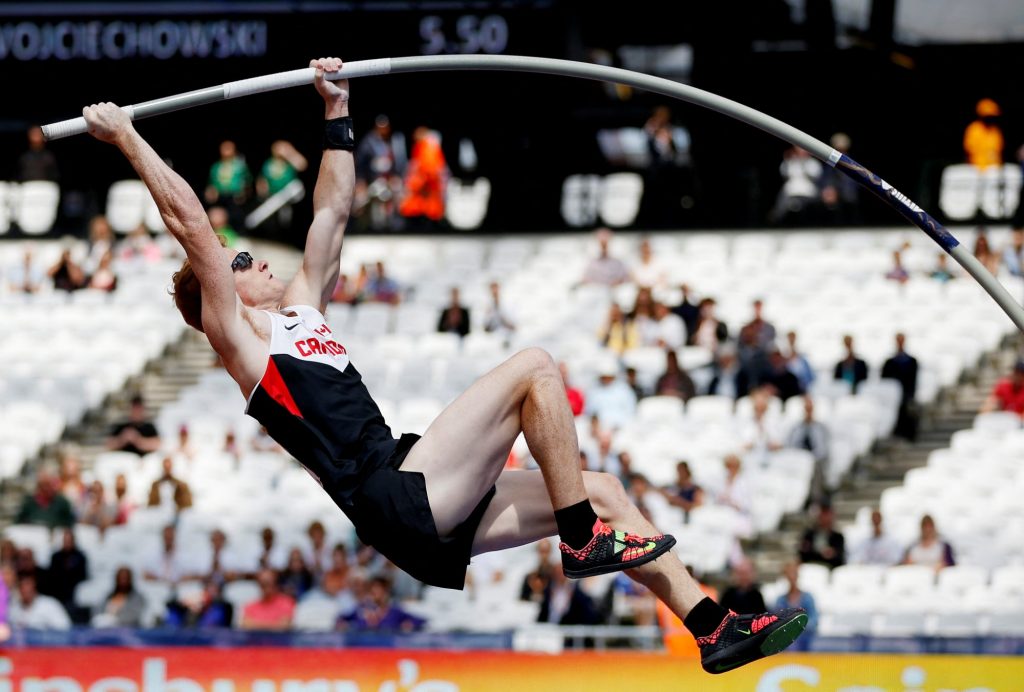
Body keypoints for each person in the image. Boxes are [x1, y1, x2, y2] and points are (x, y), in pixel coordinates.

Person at [83, 56, 805, 674]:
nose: (253, 259)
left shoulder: (302, 311)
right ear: (221, 294)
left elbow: (332, 211)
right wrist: (127, 138)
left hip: (417, 495)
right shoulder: (241, 343)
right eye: (239, 261)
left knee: (606, 490)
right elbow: (191, 226)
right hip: (392, 495)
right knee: (535, 368)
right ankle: (582, 538)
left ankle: (713, 629)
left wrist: (336, 111)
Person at [354, 114, 406, 231]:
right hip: (373, 180)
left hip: (390, 179)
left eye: (385, 127)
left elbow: (399, 163)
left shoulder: (395, 140)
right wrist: (361, 181)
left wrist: (396, 176)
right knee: (363, 200)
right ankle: (367, 226)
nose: (383, 130)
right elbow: (361, 164)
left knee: (399, 192)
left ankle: (395, 224)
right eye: (380, 127)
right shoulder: (368, 142)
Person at [399, 125, 448, 229]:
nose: (414, 136)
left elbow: (430, 168)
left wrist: (422, 183)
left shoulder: (428, 148)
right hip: (422, 185)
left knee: (426, 209)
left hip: (425, 187)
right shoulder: (422, 146)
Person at [338, 575, 425, 632]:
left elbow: (420, 620)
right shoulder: (361, 609)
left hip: (387, 650)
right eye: (373, 591)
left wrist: (409, 624)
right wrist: (343, 624)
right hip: (362, 650)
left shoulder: (394, 611)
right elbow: (342, 619)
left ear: (386, 592)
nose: (375, 594)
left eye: (379, 591)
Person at [205, 139, 252, 229]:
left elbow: (247, 181)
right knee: (218, 216)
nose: (225, 151)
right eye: (223, 148)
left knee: (235, 217)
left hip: (235, 197)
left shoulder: (240, 166)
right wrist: (211, 191)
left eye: (228, 148)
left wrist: (244, 193)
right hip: (220, 197)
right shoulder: (216, 166)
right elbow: (211, 182)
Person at [881, 333, 920, 441]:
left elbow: (913, 380)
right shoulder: (889, 362)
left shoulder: (912, 361)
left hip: (906, 394)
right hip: (892, 396)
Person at [818, 132, 860, 225]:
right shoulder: (830, 162)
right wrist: (828, 188)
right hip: (835, 190)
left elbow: (856, 179)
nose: (840, 151)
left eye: (842, 148)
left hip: (849, 191)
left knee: (849, 197)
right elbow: (826, 177)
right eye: (838, 149)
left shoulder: (853, 162)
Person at [773, 561, 817, 650]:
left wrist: (798, 627)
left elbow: (814, 620)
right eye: (789, 574)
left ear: (798, 575)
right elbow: (777, 621)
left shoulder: (808, 598)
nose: (792, 577)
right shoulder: (781, 600)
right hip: (786, 640)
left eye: (794, 573)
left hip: (806, 639)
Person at [46, 529, 88, 610]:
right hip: (57, 589)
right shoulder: (56, 556)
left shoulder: (80, 557)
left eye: (69, 540)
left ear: (73, 541)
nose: (67, 543)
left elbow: (82, 576)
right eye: (65, 540)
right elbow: (52, 575)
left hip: (74, 590)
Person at [165, 578, 233, 628]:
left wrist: (205, 604)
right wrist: (186, 604)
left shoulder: (222, 607)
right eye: (209, 588)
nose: (211, 591)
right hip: (187, 628)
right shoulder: (192, 602)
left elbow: (226, 607)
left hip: (211, 635)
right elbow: (169, 604)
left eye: (215, 589)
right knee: (174, 614)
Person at [798, 503, 845, 570]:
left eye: (827, 514)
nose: (825, 518)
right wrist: (822, 553)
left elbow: (839, 557)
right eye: (823, 514)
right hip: (810, 566)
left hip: (829, 568)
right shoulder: (809, 535)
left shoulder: (838, 537)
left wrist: (831, 554)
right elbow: (803, 552)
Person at [963, 98, 1003, 170]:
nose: (991, 119)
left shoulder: (995, 130)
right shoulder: (974, 129)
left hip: (995, 167)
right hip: (976, 168)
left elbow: (998, 149)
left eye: (992, 116)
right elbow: (968, 151)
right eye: (989, 116)